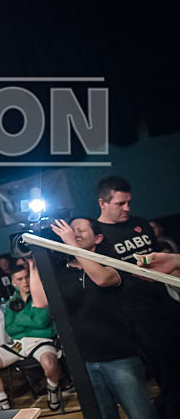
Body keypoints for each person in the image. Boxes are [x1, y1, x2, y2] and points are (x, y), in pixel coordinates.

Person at [40, 218, 158, 419]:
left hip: (118, 356)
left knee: (141, 414)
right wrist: (34, 260)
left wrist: (72, 244)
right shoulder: (63, 270)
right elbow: (40, 301)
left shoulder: (110, 261)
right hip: (83, 359)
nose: (75, 233)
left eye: (80, 230)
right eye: (72, 230)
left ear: (98, 238)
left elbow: (102, 279)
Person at [93, 176, 180, 417]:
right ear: (102, 203)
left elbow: (163, 261)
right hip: (138, 315)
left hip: (167, 303)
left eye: (129, 202)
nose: (127, 208)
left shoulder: (140, 223)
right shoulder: (98, 235)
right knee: (167, 374)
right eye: (120, 203)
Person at [0, 264, 61, 411]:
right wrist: (31, 320)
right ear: (13, 282)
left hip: (41, 341)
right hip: (18, 344)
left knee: (50, 364)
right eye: (20, 279)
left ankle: (53, 389)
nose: (25, 281)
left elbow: (42, 322)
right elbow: (10, 329)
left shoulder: (42, 295)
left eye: (27, 277)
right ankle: (4, 406)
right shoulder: (11, 302)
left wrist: (19, 319)